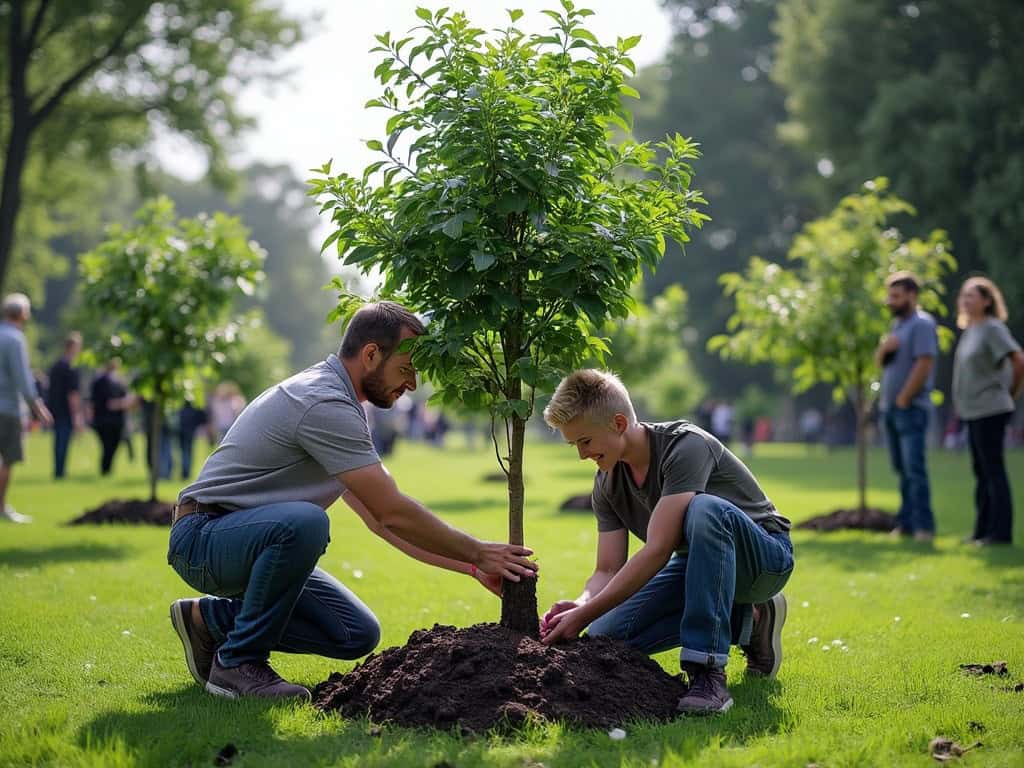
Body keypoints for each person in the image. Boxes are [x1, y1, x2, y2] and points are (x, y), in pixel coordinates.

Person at [167, 301, 538, 701]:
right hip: (204, 538)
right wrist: (481, 552)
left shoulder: (341, 405)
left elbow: (380, 522)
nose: (412, 384)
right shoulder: (323, 402)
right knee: (306, 523)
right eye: (406, 368)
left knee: (354, 632)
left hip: (246, 541)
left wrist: (469, 565)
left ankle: (207, 620)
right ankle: (238, 662)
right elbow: (391, 509)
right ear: (371, 355)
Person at [538, 370, 793, 716]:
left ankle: (707, 673)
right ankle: (749, 622)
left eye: (585, 441)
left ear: (617, 423)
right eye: (574, 445)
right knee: (603, 636)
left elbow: (659, 549)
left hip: (763, 560)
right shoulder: (607, 483)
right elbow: (607, 568)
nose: (582, 455)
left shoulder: (685, 446)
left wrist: (584, 613)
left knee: (706, 509)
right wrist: (582, 604)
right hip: (696, 566)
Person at [952, 277, 1024, 546]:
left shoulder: (993, 328)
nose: (966, 300)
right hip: (972, 412)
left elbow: (1018, 359)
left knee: (993, 471)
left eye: (972, 296)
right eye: (964, 296)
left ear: (987, 300)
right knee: (981, 473)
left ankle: (1000, 533)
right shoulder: (972, 329)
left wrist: (1009, 394)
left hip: (990, 409)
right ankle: (982, 530)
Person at [875, 271, 939, 542]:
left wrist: (903, 398)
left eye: (897, 296)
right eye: (890, 295)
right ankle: (907, 523)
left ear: (912, 296)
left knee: (914, 469)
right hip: (891, 409)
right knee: (902, 469)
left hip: (910, 408)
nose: (891, 301)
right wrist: (883, 349)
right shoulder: (897, 326)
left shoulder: (922, 324)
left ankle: (924, 527)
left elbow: (924, 363)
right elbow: (881, 364)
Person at [0, 293, 53, 523]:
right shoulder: (15, 339)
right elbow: (23, 378)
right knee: (7, 459)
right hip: (7, 407)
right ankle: (1, 508)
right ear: (23, 314)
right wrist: (38, 408)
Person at [47, 332, 84, 479]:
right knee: (63, 441)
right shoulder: (71, 367)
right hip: (66, 411)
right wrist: (76, 415)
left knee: (58, 442)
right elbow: (72, 394)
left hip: (55, 409)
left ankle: (58, 469)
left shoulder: (56, 365)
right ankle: (60, 472)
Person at [89, 360, 134, 476]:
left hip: (117, 421)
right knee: (107, 447)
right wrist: (121, 403)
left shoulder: (119, 380)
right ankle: (105, 470)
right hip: (104, 420)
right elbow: (103, 403)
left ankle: (107, 470)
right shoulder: (101, 381)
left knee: (113, 447)